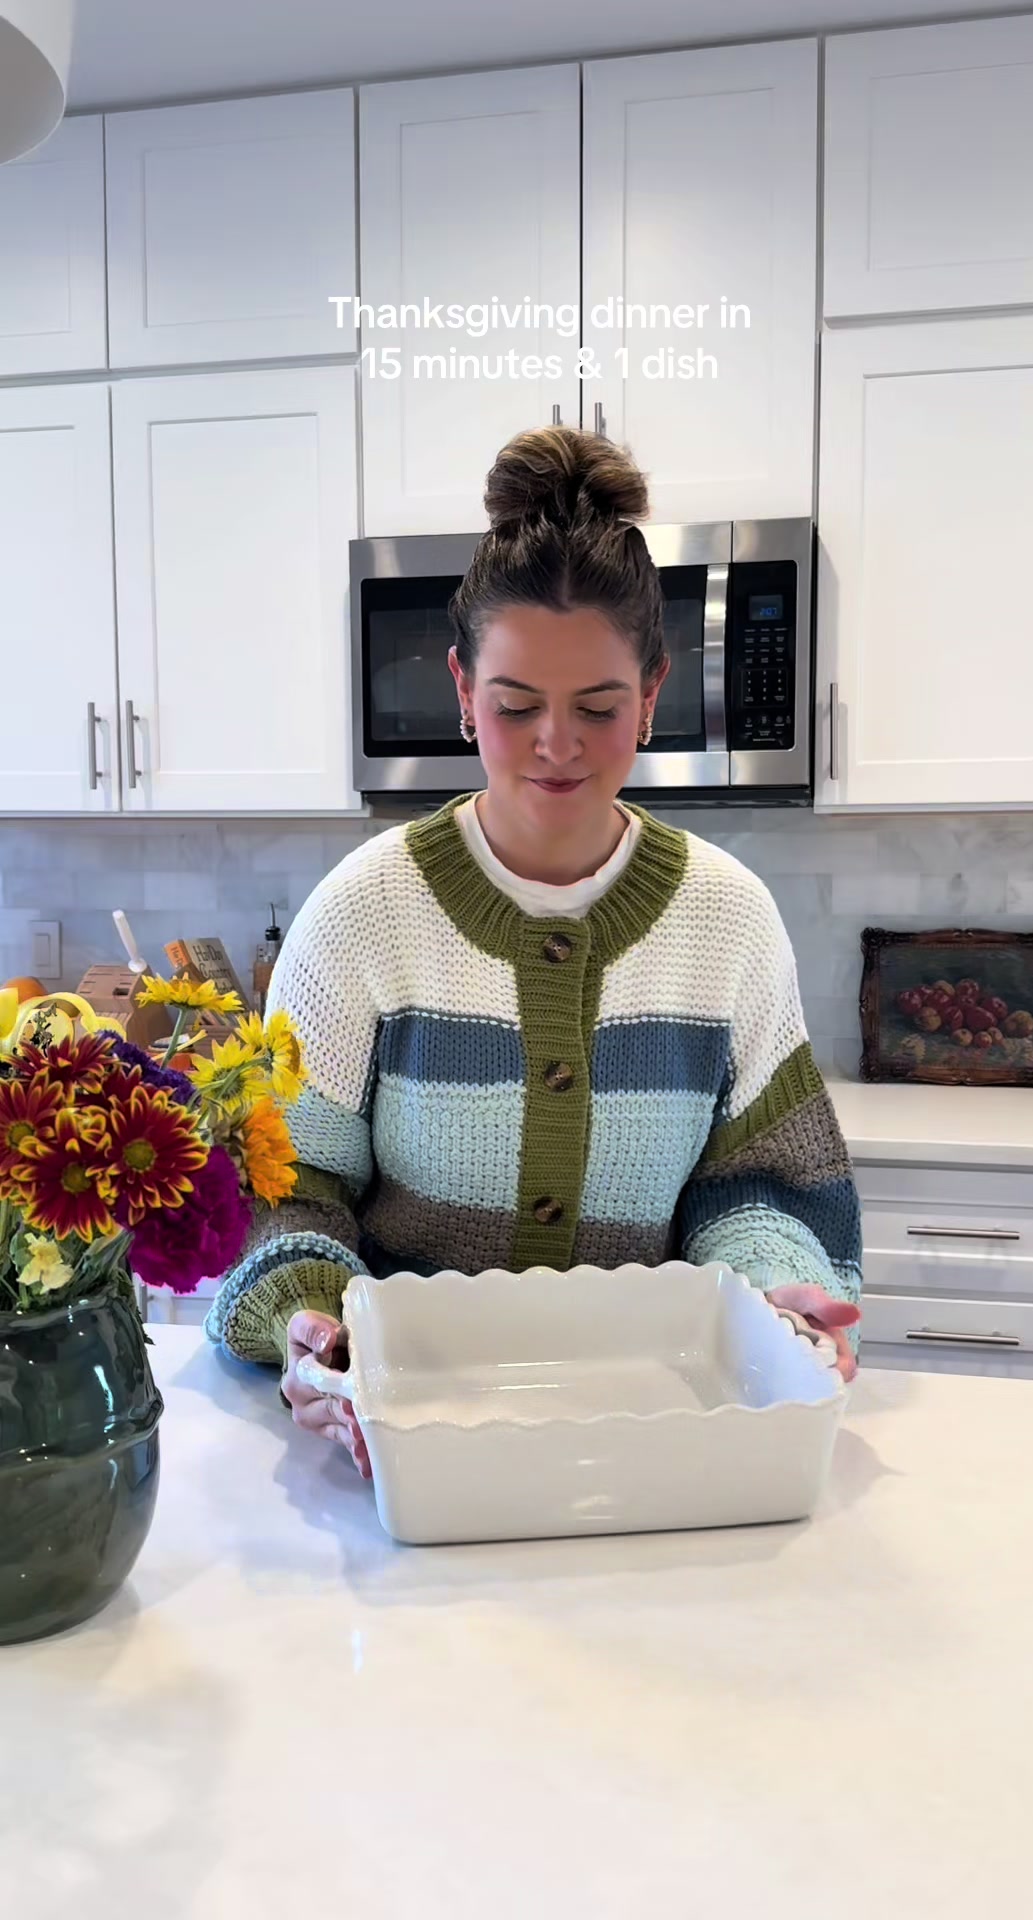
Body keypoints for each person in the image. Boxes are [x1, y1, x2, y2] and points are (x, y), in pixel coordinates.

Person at [206, 426, 862, 1475]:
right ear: (464, 693)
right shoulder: (362, 914)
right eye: (517, 707)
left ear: (653, 695)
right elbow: (287, 1182)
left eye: (599, 708)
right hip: (405, 1442)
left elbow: (762, 1185)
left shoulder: (728, 920)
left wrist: (775, 1296)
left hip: (651, 1433)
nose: (558, 744)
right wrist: (307, 1315)